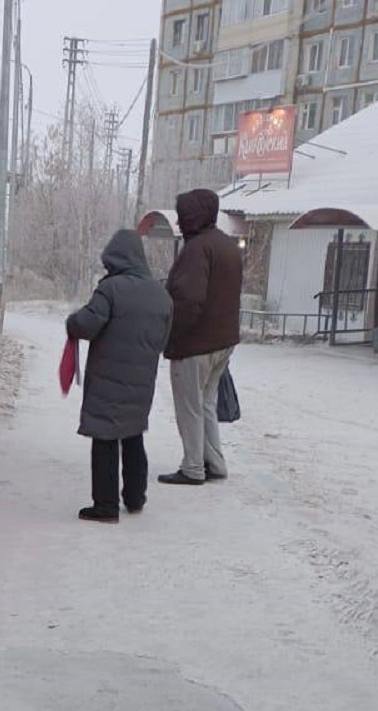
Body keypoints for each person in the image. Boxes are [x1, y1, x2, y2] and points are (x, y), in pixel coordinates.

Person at [66, 229, 173, 524]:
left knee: (105, 438)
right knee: (133, 434)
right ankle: (135, 498)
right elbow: (164, 338)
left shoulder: (110, 290)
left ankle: (106, 506)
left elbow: (87, 325)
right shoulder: (160, 294)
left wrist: (71, 322)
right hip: (141, 383)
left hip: (108, 380)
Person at [158, 188, 243, 487]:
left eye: (183, 215)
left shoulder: (196, 249)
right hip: (224, 341)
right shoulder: (227, 245)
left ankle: (193, 466)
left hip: (196, 343)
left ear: (193, 215)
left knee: (190, 405)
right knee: (207, 402)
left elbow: (189, 300)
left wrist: (172, 336)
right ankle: (215, 462)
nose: (179, 222)